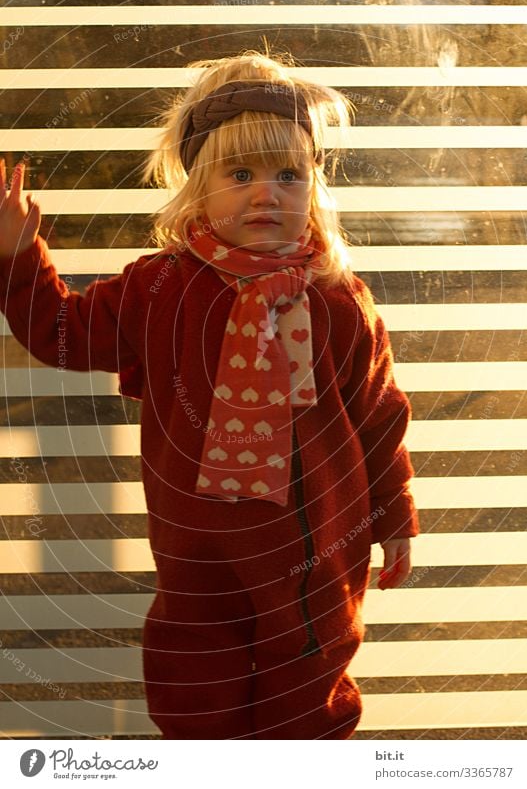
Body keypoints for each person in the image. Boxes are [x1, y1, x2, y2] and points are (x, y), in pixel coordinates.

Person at [0, 50, 419, 740]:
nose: (266, 193)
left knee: (308, 700)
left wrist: (393, 512)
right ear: (197, 186)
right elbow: (65, 333)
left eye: (289, 173)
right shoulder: (160, 287)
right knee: (196, 690)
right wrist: (19, 259)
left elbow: (378, 414)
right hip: (198, 558)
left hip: (316, 560)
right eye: (240, 173)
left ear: (314, 185)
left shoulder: (338, 299)